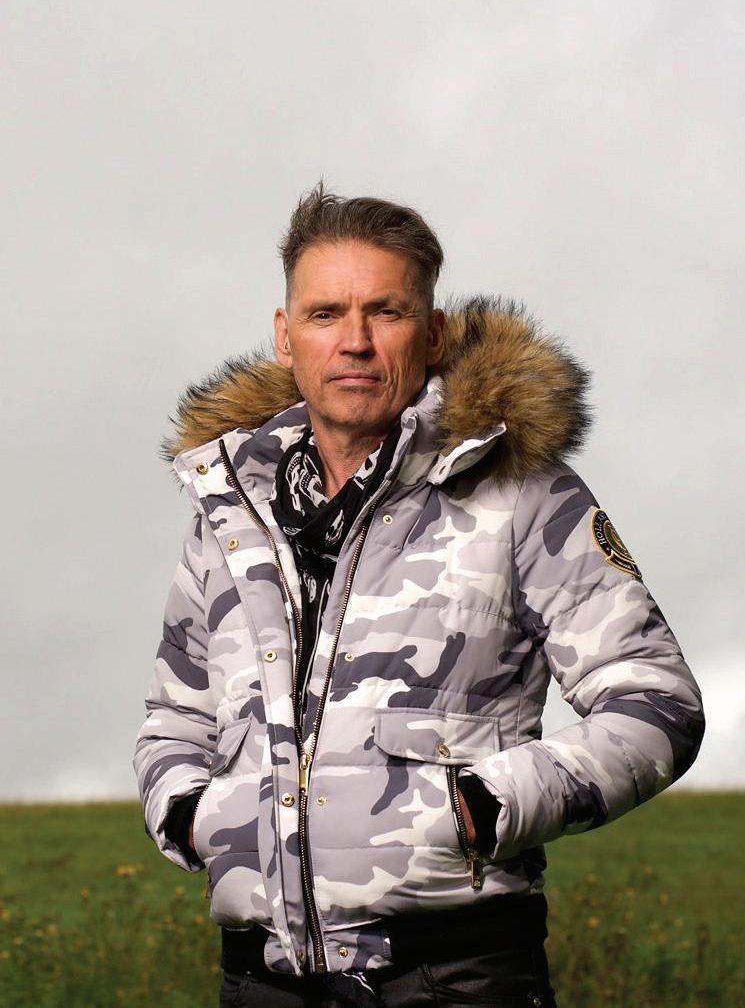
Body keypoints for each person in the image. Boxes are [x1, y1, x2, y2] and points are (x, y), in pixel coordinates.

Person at [133, 182, 705, 1007]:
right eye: (326, 313)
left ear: (431, 332)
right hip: (259, 980)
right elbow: (175, 715)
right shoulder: (229, 512)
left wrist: (480, 806)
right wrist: (189, 813)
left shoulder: (522, 495)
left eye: (385, 311)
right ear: (285, 335)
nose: (354, 341)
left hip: (455, 974)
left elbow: (656, 702)